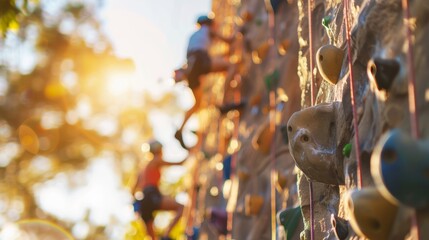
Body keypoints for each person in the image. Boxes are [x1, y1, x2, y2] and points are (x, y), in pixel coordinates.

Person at [174, 14, 237, 150]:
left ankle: (180, 129)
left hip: (191, 67)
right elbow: (229, 40)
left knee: (197, 104)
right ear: (208, 23)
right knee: (231, 67)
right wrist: (238, 34)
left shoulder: (193, 36)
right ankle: (224, 102)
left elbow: (209, 58)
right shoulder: (207, 30)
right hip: (200, 61)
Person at [132, 140, 187, 240]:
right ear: (158, 150)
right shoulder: (155, 160)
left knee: (153, 238)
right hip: (151, 195)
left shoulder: (143, 169)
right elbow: (180, 163)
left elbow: (132, 191)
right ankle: (166, 234)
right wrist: (191, 153)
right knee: (181, 208)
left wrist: (137, 204)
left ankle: (164, 237)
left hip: (143, 202)